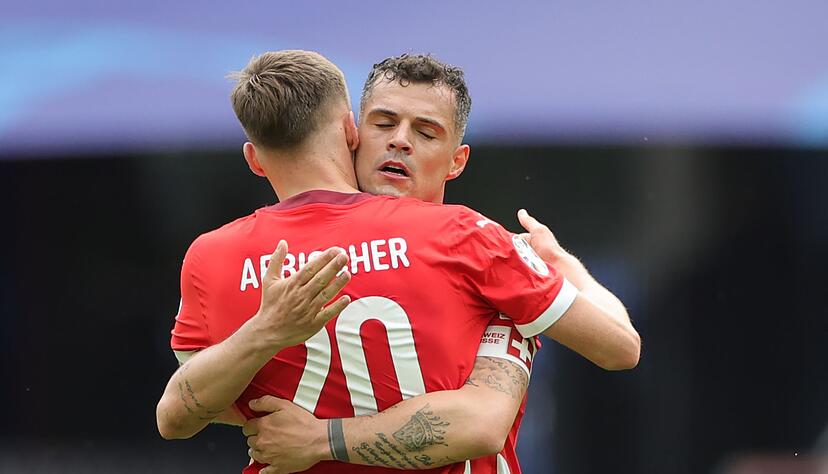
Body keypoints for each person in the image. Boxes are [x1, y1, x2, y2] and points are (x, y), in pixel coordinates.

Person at [155, 51, 639, 474]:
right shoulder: (472, 240)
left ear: (458, 160)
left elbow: (190, 412)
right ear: (351, 132)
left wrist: (317, 434)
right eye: (384, 124)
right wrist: (566, 267)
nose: (400, 141)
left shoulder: (215, 256)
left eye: (426, 132)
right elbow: (615, 349)